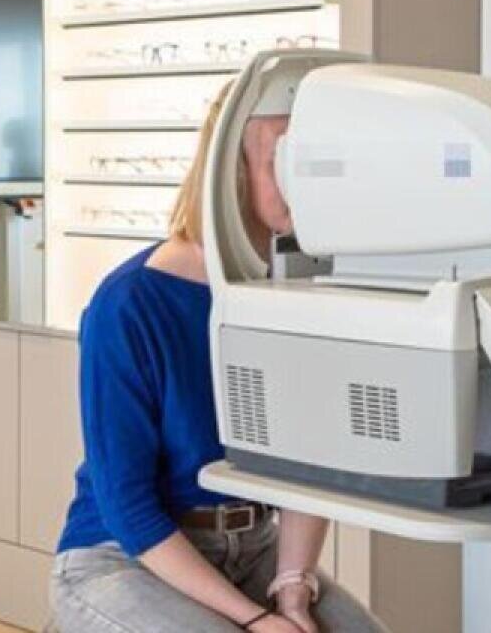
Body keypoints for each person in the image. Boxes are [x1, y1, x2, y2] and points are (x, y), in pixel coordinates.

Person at [50, 88, 387, 633]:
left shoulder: (301, 294)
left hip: (256, 550)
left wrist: (293, 588)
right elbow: (126, 505)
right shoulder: (130, 303)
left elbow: (311, 462)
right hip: (123, 556)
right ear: (231, 167)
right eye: (287, 155)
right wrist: (254, 620)